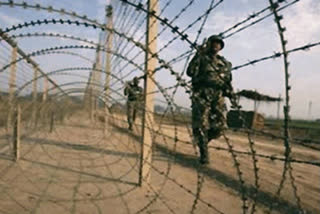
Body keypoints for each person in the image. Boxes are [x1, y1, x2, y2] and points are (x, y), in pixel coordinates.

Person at [186, 35, 238, 164]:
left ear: (221, 47)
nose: (216, 45)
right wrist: (198, 54)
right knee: (201, 124)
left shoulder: (225, 63)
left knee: (220, 126)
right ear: (208, 44)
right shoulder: (202, 58)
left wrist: (232, 95)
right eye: (213, 43)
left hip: (218, 95)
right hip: (202, 94)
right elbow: (190, 72)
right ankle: (204, 152)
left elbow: (228, 81)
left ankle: (202, 142)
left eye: (218, 43)